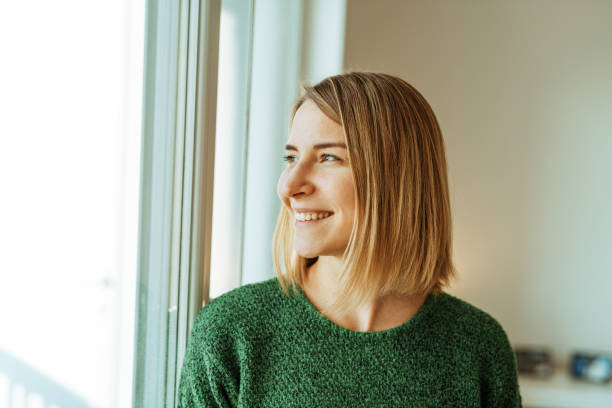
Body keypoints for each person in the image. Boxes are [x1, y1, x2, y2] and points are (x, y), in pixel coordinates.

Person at [177, 72, 522, 407]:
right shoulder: (231, 333)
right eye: (292, 157)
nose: (288, 186)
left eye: (328, 158)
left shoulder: (478, 346)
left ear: (397, 179)